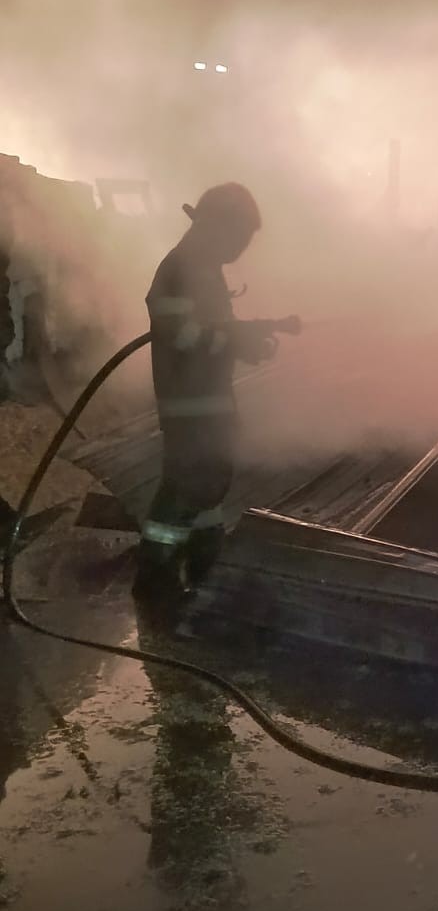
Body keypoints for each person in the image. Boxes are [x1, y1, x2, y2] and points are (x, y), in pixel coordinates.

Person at [132, 183, 299, 619]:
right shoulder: (179, 267)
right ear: (216, 225)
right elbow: (182, 334)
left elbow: (214, 331)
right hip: (189, 403)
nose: (242, 248)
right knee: (186, 487)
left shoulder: (204, 268)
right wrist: (236, 339)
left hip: (211, 398)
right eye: (239, 236)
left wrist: (247, 341)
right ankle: (154, 578)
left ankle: (204, 568)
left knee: (211, 483)